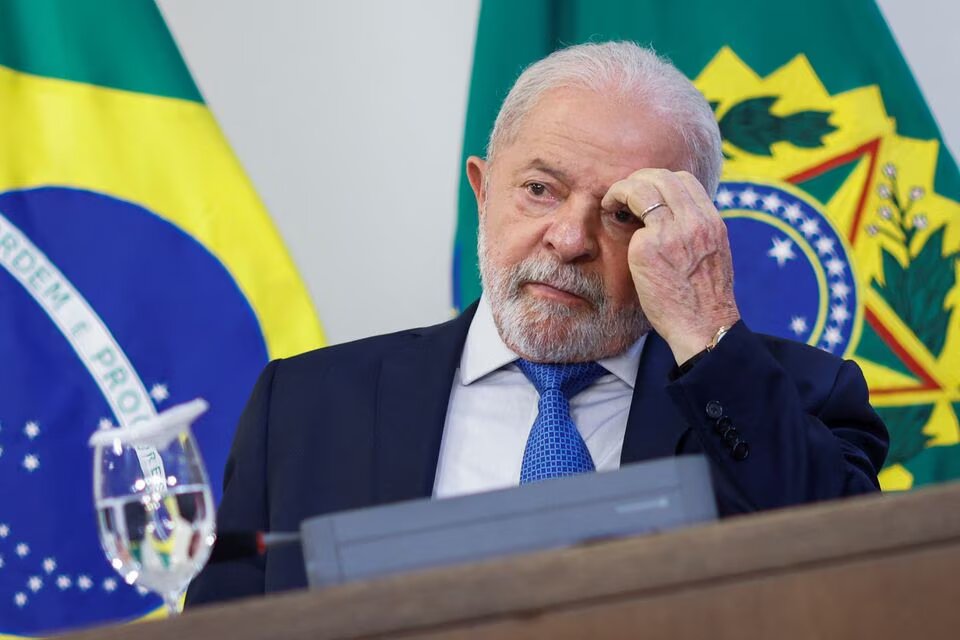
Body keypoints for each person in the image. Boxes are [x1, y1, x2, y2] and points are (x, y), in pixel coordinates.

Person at [185, 41, 888, 605]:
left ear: (684, 232)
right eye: (539, 190)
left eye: (622, 214)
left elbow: (860, 591)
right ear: (483, 190)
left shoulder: (800, 400)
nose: (570, 238)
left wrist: (707, 331)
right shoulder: (304, 407)